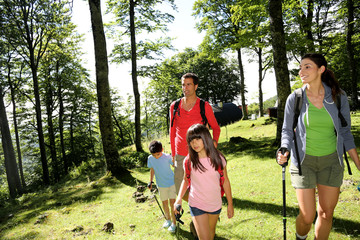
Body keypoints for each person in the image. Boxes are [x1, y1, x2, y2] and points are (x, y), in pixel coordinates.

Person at [277, 53, 360, 240]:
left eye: (307, 66)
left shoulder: (338, 97)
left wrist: (358, 163)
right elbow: (287, 131)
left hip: (331, 161)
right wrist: (284, 149)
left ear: (321, 69)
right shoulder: (295, 98)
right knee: (307, 216)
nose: (301, 71)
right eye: (300, 67)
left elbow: (346, 133)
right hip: (303, 162)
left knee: (326, 214)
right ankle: (300, 237)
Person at [174, 124, 234, 240]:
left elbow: (225, 181)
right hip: (197, 204)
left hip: (215, 204)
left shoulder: (218, 158)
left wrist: (230, 204)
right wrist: (179, 198)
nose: (194, 143)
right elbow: (185, 181)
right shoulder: (188, 160)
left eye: (198, 139)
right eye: (191, 140)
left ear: (206, 138)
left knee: (211, 235)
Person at [170, 73, 221, 199]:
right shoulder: (174, 106)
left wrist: (214, 143)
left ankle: (203, 211)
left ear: (196, 86)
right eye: (183, 85)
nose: (185, 88)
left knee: (203, 185)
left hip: (200, 152)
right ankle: (197, 205)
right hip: (181, 153)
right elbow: (171, 131)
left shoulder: (204, 106)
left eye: (189, 84)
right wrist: (173, 154)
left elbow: (216, 128)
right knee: (178, 187)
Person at [147, 140, 177, 233]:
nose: (156, 157)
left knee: (172, 204)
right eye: (154, 155)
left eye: (158, 154)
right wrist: (150, 181)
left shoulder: (167, 157)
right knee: (164, 203)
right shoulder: (150, 158)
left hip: (172, 183)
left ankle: (174, 223)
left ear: (162, 150)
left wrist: (174, 160)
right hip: (161, 185)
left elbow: (175, 166)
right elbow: (152, 169)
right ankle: (168, 220)